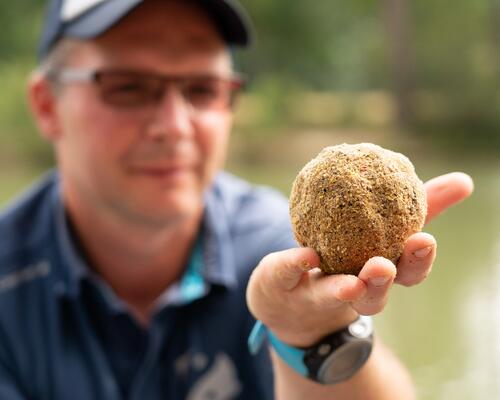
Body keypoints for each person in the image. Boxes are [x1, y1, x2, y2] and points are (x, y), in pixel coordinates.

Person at [0, 0, 473, 399]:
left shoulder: (282, 252)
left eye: (202, 89)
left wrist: (310, 335)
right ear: (47, 105)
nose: (175, 126)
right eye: (128, 87)